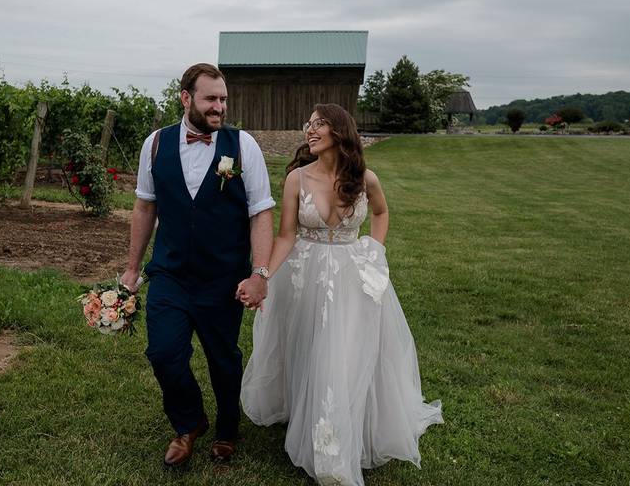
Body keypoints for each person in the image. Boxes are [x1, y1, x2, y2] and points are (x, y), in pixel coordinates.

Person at [239, 103, 443, 486]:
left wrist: (375, 251)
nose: (309, 130)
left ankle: (335, 439)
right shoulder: (297, 179)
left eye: (319, 124)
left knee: (344, 351)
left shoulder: (366, 178)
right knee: (308, 346)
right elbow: (286, 235)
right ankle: (306, 413)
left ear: (339, 131)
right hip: (306, 274)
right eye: (309, 124)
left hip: (353, 275)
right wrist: (263, 274)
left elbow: (381, 214)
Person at [121, 63, 274, 468]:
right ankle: (188, 423)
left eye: (223, 99)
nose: (219, 107)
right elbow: (144, 206)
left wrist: (259, 273)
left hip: (223, 278)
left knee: (223, 359)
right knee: (163, 353)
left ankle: (227, 429)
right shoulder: (155, 144)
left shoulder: (244, 147)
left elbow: (260, 212)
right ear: (186, 98)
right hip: (170, 274)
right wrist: (132, 269)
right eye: (211, 99)